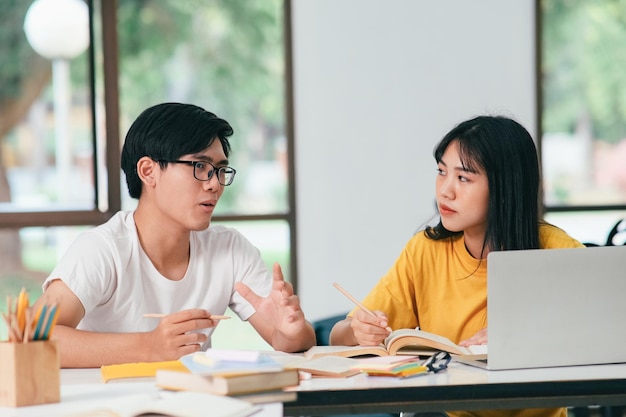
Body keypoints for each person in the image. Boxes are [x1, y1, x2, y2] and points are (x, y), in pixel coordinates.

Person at [329, 115, 584, 417]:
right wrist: (358, 330)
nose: (445, 191)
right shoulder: (425, 251)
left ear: (505, 186)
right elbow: (337, 336)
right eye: (441, 172)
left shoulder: (554, 250)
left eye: (463, 178)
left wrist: (524, 335)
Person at [37, 102, 316, 368]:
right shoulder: (102, 249)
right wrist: (149, 346)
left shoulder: (229, 249)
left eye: (220, 170)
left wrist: (290, 330)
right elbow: (35, 339)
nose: (215, 184)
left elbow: (293, 342)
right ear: (148, 171)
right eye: (200, 167)